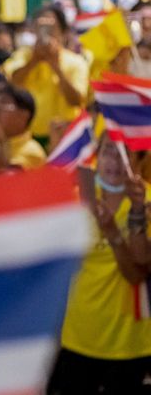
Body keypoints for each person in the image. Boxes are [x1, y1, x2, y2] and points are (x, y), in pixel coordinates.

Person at [47, 138, 151, 394]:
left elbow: (137, 273)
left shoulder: (146, 202)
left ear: (138, 162)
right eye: (108, 153)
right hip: (77, 335)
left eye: (124, 155)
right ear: (96, 156)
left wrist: (114, 233)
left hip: (130, 340)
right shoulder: (75, 199)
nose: (114, 163)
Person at [3, 6, 89, 148]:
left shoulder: (76, 62)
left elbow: (77, 100)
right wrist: (33, 61)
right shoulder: (22, 56)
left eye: (51, 27)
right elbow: (11, 85)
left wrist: (56, 66)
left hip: (64, 139)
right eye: (40, 26)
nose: (46, 32)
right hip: (27, 139)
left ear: (63, 32)